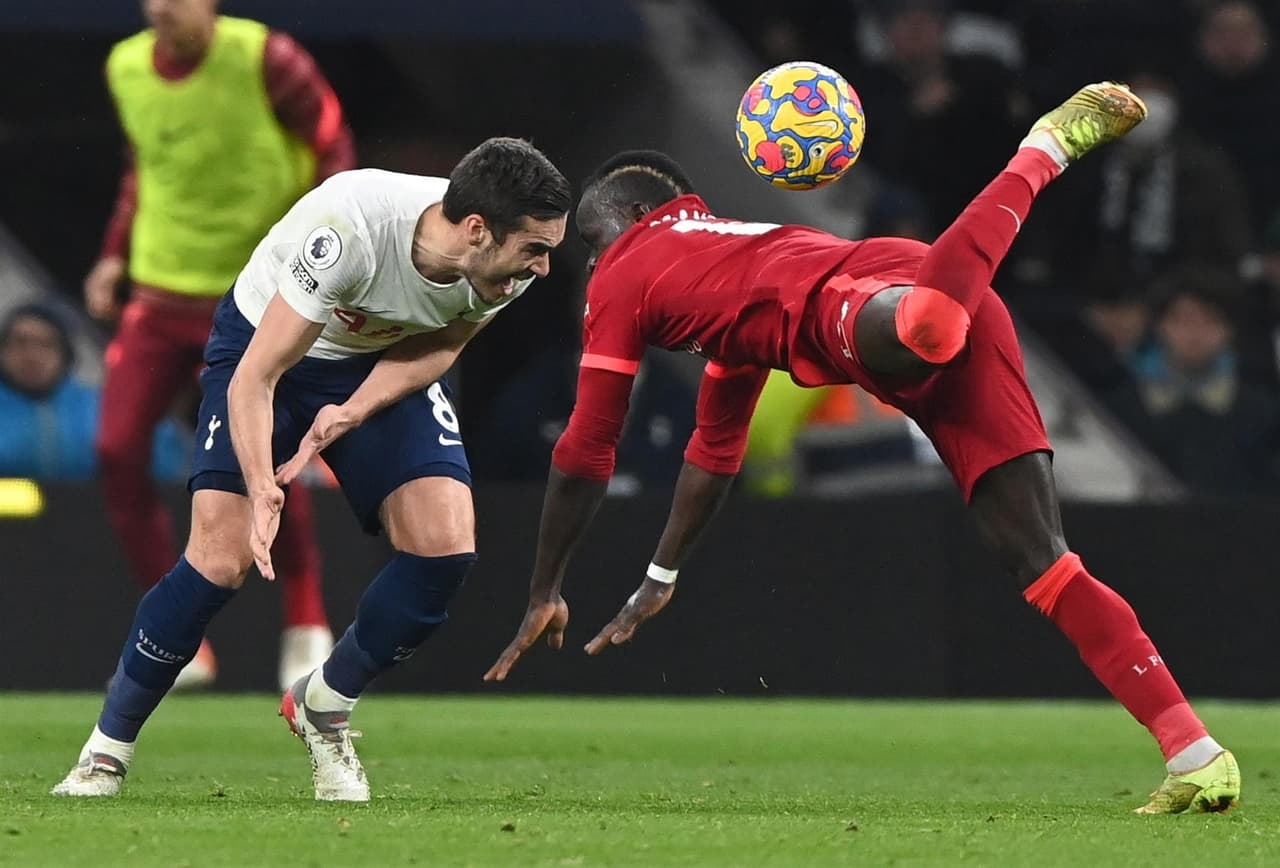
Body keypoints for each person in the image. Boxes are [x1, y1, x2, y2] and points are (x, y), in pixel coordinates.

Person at [484, 83, 1241, 815]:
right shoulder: (729, 289)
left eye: (588, 243)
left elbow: (587, 447)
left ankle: (1042, 149)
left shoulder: (628, 269)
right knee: (1043, 561)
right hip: (937, 298)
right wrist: (661, 572)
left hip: (868, 303)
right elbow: (714, 451)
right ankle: (1196, 755)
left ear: (636, 219)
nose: (588, 265)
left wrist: (544, 583)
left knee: (926, 331)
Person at [51, 138, 572, 802]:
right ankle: (106, 752)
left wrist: (354, 410)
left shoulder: (505, 269)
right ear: (476, 229)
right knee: (220, 557)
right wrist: (263, 485)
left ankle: (324, 705)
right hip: (267, 352)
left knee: (445, 548)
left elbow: (443, 342)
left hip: (380, 358)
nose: (545, 267)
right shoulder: (351, 227)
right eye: (535, 246)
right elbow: (257, 377)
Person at [86, 0, 358, 690]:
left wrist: (332, 261)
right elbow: (141, 169)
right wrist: (114, 255)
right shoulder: (124, 67)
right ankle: (179, 634)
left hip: (255, 291)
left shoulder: (267, 57)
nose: (161, 9)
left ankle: (305, 619)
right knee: (116, 448)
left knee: (264, 450)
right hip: (158, 292)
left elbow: (332, 146)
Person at [0, 304, 186, 482]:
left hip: (91, 512)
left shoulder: (105, 407)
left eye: (46, 344)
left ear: (66, 355)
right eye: (20, 343)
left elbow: (162, 463)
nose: (32, 355)